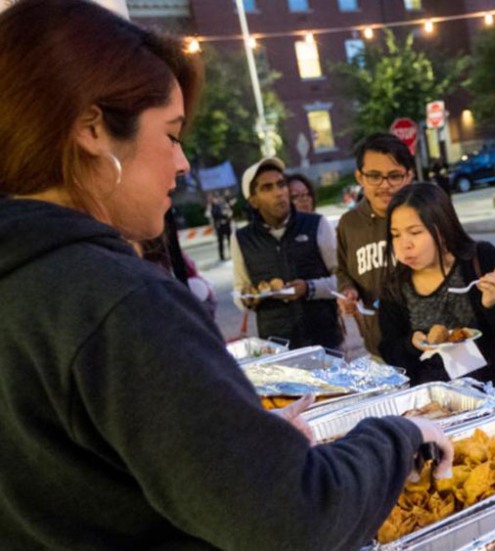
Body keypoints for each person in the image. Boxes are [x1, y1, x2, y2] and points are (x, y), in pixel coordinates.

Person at [0, 2, 453, 549]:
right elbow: (293, 518)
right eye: (170, 135)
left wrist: (242, 450)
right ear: (92, 129)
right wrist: (398, 436)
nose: (183, 162)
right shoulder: (117, 302)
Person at [378, 183, 495, 407]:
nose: (405, 245)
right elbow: (389, 350)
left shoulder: (480, 259)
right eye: (395, 235)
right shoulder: (394, 285)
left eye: (415, 232)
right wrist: (410, 345)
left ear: (441, 229)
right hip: (437, 410)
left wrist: (493, 305)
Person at [231, 157, 344, 349]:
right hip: (278, 347)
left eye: (281, 184)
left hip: (324, 341)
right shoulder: (241, 239)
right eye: (267, 188)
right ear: (253, 201)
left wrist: (309, 288)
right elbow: (240, 289)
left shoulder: (316, 224)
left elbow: (343, 279)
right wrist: (248, 298)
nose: (278, 193)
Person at [335, 133, 415, 357]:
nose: (385, 185)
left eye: (394, 176)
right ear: (360, 177)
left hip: (428, 345)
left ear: (409, 176)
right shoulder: (349, 224)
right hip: (379, 348)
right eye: (374, 176)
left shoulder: (426, 214)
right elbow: (342, 270)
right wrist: (347, 292)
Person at [209, 191, 233, 260]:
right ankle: (222, 256)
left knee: (230, 241)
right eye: (216, 198)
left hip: (226, 225)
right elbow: (215, 215)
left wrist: (227, 215)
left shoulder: (224, 205)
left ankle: (232, 254)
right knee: (221, 242)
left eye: (218, 198)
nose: (217, 200)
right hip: (219, 226)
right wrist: (223, 214)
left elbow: (229, 213)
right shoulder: (213, 207)